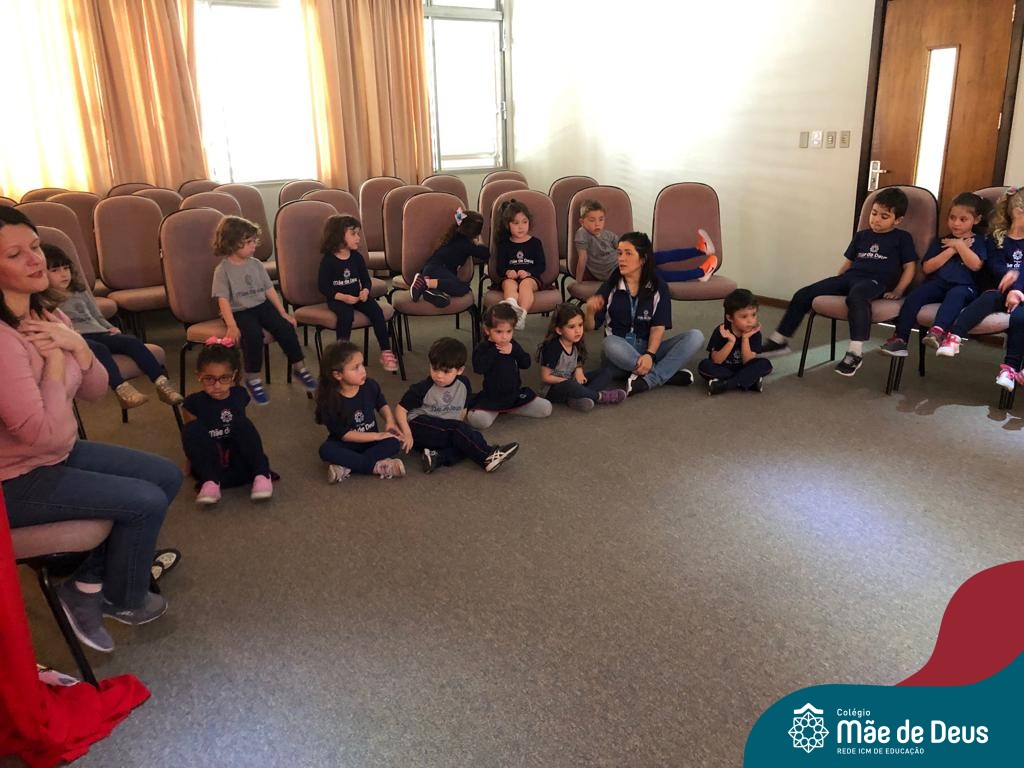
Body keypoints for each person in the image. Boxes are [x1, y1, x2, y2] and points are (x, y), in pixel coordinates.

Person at [0, 207, 181, 654]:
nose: (36, 259)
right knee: (144, 501)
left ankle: (88, 582)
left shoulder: (48, 315)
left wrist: (79, 346)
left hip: (52, 454)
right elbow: (43, 434)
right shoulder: (4, 341)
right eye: (15, 254)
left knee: (165, 475)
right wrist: (57, 363)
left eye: (35, 246)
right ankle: (118, 598)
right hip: (13, 479)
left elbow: (96, 390)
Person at [760, 187, 917, 376]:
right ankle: (779, 340)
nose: (876, 219)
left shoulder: (902, 238)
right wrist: (837, 282)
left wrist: (899, 290)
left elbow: (910, 267)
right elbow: (848, 263)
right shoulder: (861, 236)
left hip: (875, 282)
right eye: (874, 213)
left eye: (884, 217)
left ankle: (855, 352)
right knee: (803, 294)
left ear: (897, 220)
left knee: (856, 297)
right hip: (850, 278)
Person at [44, 243, 183, 410]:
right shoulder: (45, 299)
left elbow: (96, 315)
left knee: (131, 342)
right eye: (55, 270)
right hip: (77, 338)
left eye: (66, 268)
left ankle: (162, 383)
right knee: (100, 349)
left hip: (98, 331)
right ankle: (122, 389)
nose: (63, 274)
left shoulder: (79, 290)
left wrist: (108, 327)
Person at [211, 215, 317, 405]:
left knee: (285, 327)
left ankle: (299, 368)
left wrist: (283, 313)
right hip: (239, 311)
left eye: (254, 241)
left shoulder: (256, 264)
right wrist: (232, 325)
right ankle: (253, 379)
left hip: (261, 306)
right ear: (232, 243)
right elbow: (223, 300)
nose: (254, 246)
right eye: (249, 242)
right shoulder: (223, 270)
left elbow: (269, 290)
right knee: (252, 335)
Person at [583, 231, 704, 396]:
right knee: (608, 343)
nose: (621, 259)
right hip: (619, 351)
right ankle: (663, 374)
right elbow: (590, 327)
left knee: (696, 337)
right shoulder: (611, 285)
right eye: (619, 253)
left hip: (648, 348)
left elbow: (658, 327)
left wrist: (649, 354)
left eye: (628, 253)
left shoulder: (658, 286)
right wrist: (590, 312)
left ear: (643, 259)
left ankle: (647, 379)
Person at [880, 192, 990, 358]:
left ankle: (938, 332)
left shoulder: (979, 241)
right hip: (938, 283)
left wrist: (960, 246)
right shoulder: (941, 241)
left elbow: (976, 265)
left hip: (964, 287)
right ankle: (900, 339)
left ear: (976, 220)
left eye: (963, 219)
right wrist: (952, 249)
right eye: (952, 218)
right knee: (915, 296)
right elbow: (927, 268)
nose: (956, 223)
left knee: (955, 295)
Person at [394, 337, 520, 473]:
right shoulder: (423, 387)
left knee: (467, 440)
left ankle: (436, 457)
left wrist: (458, 429)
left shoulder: (464, 384)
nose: (439, 375)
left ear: (460, 370)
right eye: (434, 369)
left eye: (446, 371)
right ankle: (487, 455)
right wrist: (407, 433)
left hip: (443, 431)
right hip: (419, 427)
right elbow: (400, 409)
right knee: (462, 434)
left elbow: (463, 408)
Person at [939, 187, 1024, 385]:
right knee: (986, 299)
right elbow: (995, 265)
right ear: (1018, 212)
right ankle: (955, 336)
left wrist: (1017, 288)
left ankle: (1010, 369)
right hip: (1001, 291)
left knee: (1020, 318)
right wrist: (1009, 281)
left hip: (1021, 294)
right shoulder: (997, 238)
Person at [180, 339, 273, 505]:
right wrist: (190, 460)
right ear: (199, 376)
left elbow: (246, 436)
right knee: (191, 429)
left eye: (224, 378)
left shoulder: (240, 395)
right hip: (212, 460)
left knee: (243, 424)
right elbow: (193, 439)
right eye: (209, 379)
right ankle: (210, 483)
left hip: (238, 458)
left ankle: (262, 475)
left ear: (234, 376)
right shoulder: (193, 403)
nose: (217, 385)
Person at [317, 214, 398, 372]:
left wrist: (365, 291)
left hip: (358, 296)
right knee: (346, 316)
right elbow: (323, 287)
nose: (358, 238)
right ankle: (342, 356)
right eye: (353, 234)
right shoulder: (328, 260)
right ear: (338, 236)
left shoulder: (356, 257)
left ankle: (386, 351)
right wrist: (343, 297)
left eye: (358, 234)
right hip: (338, 299)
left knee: (376, 311)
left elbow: (366, 280)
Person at [315, 341, 406, 481]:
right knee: (326, 450)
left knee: (394, 442)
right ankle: (377, 466)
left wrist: (390, 421)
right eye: (355, 368)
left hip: (370, 442)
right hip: (347, 444)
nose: (363, 370)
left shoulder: (370, 385)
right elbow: (345, 435)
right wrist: (379, 436)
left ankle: (346, 467)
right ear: (338, 375)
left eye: (362, 364)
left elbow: (381, 404)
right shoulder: (329, 401)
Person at [574, 199, 718, 283]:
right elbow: (583, 258)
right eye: (592, 220)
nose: (597, 224)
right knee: (659, 275)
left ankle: (700, 250)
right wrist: (578, 281)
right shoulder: (582, 234)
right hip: (617, 272)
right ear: (582, 222)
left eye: (601, 219)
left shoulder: (608, 235)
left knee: (659, 256)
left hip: (626, 263)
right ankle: (701, 272)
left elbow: (623, 250)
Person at [466, 303, 553, 428]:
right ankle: (498, 410)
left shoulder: (512, 344)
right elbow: (479, 368)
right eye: (499, 331)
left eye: (509, 331)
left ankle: (510, 408)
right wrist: (495, 350)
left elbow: (526, 363)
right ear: (487, 330)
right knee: (479, 420)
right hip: (492, 398)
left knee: (546, 408)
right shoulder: (482, 348)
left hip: (514, 396)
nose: (504, 337)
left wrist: (514, 351)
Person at [536, 303, 626, 411]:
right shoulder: (553, 348)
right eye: (571, 327)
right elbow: (546, 377)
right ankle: (600, 397)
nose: (578, 330)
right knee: (570, 385)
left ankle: (578, 398)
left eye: (580, 325)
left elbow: (577, 359)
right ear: (559, 330)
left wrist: (578, 369)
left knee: (606, 372)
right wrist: (567, 381)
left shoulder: (576, 341)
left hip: (572, 381)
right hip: (553, 389)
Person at [408, 208, 489, 308]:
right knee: (463, 288)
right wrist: (479, 241)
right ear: (475, 232)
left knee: (447, 287)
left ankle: (429, 291)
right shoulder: (465, 244)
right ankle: (425, 283)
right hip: (437, 270)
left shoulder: (454, 235)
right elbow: (486, 254)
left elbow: (459, 214)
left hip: (429, 270)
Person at [698, 289, 773, 395]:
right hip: (723, 368)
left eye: (753, 315)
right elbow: (717, 360)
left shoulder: (755, 334)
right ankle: (748, 381)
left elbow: (748, 361)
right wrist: (731, 341)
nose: (750, 321)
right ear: (730, 318)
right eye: (744, 316)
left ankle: (725, 384)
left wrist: (745, 338)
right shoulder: (721, 331)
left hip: (744, 368)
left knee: (765, 364)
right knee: (704, 365)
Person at [494, 199, 545, 328]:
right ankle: (512, 305)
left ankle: (522, 315)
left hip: (530, 278)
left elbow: (541, 265)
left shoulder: (535, 243)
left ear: (529, 222)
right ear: (508, 225)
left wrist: (528, 273)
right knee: (509, 284)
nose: (521, 226)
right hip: (511, 278)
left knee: (525, 285)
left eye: (524, 222)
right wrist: (507, 272)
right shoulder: (504, 244)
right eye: (516, 223)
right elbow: (499, 268)